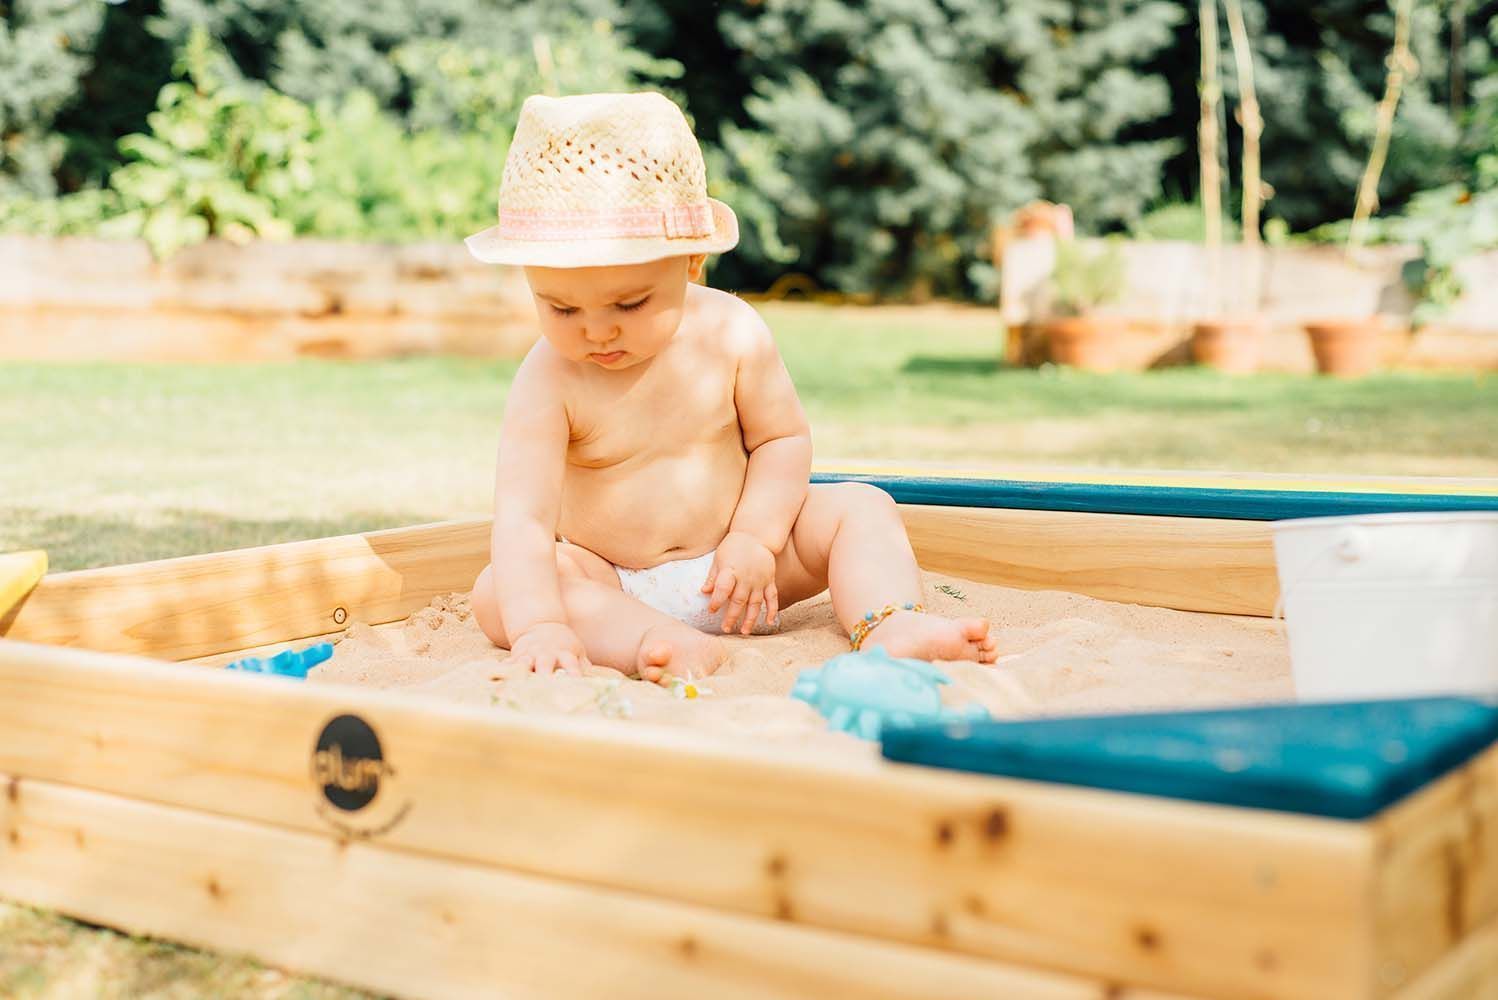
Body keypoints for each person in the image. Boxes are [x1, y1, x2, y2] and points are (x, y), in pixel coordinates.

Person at [465, 91, 998, 683]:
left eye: (630, 302)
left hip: (743, 569)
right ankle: (651, 640)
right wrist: (541, 626)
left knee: (860, 506)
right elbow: (524, 520)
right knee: (500, 594)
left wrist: (754, 538)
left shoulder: (731, 332)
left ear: (691, 262)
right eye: (561, 308)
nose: (596, 329)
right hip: (613, 580)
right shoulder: (548, 380)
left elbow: (782, 440)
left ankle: (889, 623)